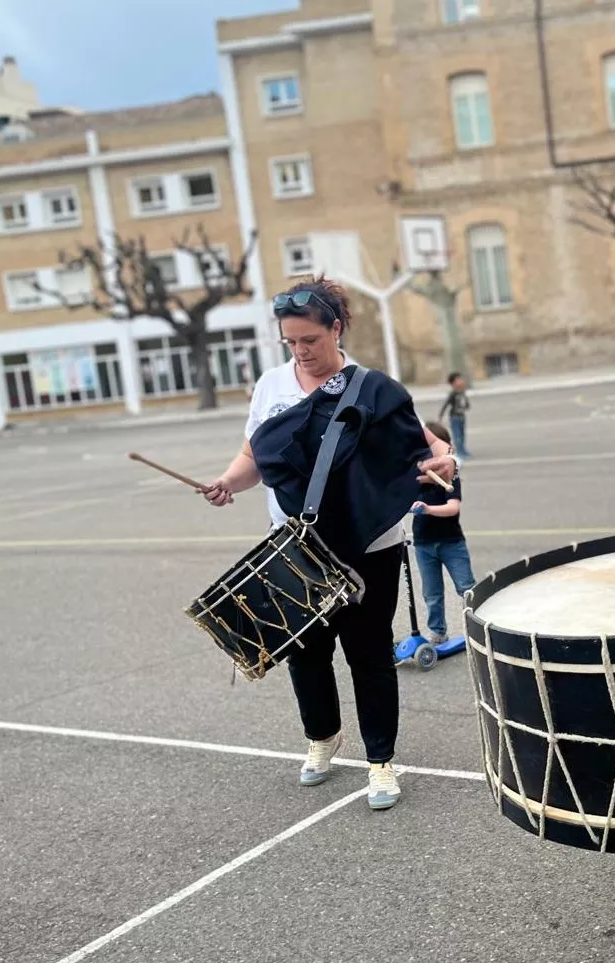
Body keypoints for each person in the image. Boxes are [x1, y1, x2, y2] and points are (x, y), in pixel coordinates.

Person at [199, 277, 458, 809]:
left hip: (371, 546)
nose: (301, 352)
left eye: (310, 340)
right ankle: (322, 738)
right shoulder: (272, 387)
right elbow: (255, 458)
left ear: (335, 328)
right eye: (290, 342)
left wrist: (446, 461)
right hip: (296, 546)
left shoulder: (373, 389)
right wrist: (228, 481)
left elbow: (431, 448)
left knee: (369, 656)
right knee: (305, 654)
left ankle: (381, 762)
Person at [411, 420, 478, 642]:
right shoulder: (415, 478)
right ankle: (438, 632)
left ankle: (479, 628)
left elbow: (453, 508)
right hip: (423, 544)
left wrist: (428, 509)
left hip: (451, 542)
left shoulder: (450, 477)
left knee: (466, 588)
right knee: (432, 594)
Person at [438, 372, 473, 458]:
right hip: (455, 417)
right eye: (458, 380)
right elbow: (446, 404)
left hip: (462, 416)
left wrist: (467, 405)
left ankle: (463, 450)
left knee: (462, 434)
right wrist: (441, 415)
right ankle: (460, 452)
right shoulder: (453, 393)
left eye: (461, 379)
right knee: (457, 435)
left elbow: (465, 402)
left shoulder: (462, 392)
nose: (461, 381)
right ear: (453, 383)